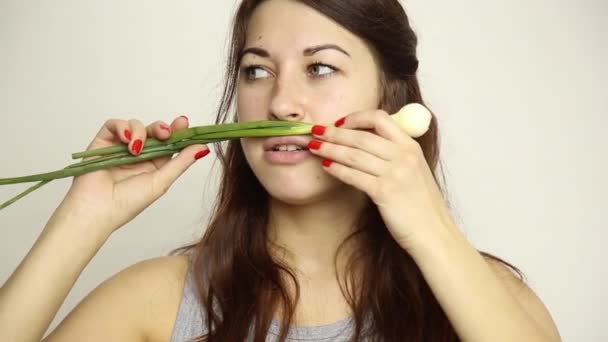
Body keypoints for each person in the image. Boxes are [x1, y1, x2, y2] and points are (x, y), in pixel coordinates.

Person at [0, 0, 562, 341]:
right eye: (256, 70)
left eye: (320, 68)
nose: (282, 103)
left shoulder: (483, 294)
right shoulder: (163, 300)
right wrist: (82, 218)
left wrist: (429, 230)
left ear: (391, 97)